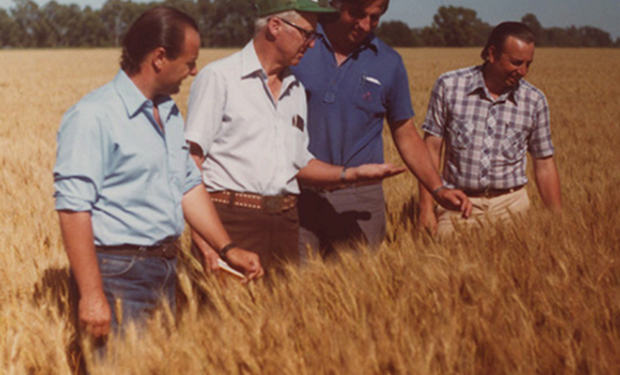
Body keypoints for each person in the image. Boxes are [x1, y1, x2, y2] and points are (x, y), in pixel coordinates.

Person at [53, 6, 263, 343]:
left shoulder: (167, 112)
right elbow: (73, 209)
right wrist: (92, 296)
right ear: (160, 57)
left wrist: (227, 248)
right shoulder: (93, 116)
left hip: (166, 269)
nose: (194, 71)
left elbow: (188, 186)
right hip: (117, 274)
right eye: (190, 62)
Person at [184, 0, 405, 272]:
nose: (312, 44)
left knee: (281, 313)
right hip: (232, 221)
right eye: (306, 34)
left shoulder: (295, 89)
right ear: (275, 26)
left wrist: (352, 175)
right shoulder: (219, 78)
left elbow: (299, 163)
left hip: (287, 224)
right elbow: (190, 165)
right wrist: (205, 241)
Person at [290, 0, 472, 257]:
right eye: (356, 14)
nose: (365, 25)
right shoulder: (299, 46)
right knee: (295, 287)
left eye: (374, 17)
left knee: (354, 293)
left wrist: (438, 188)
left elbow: (405, 132)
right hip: (296, 193)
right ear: (335, 5)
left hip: (359, 199)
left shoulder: (389, 62)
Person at [418, 22, 562, 237]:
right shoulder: (449, 86)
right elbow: (430, 151)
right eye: (516, 62)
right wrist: (426, 210)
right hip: (459, 204)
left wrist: (558, 220)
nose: (523, 71)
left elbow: (544, 164)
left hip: (512, 206)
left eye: (528, 64)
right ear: (492, 54)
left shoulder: (534, 100)